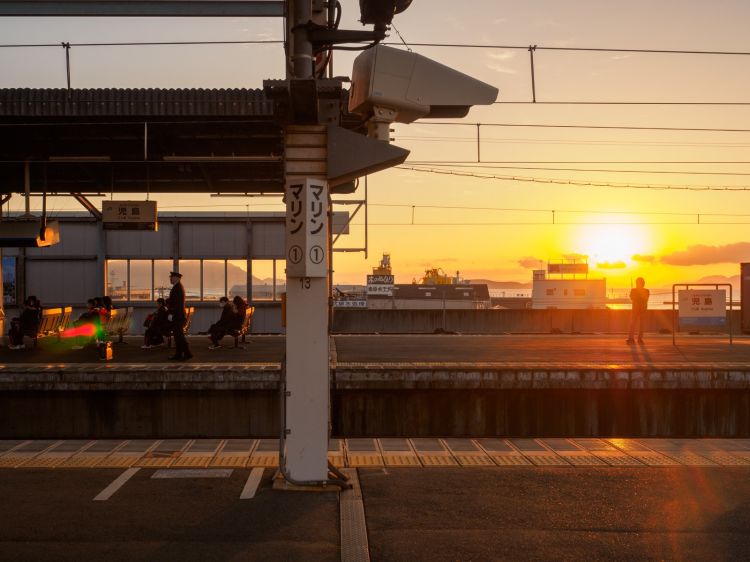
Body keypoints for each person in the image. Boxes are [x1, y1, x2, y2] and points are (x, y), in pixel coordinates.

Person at [166, 271, 192, 360]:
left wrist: (171, 313)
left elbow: (177, 304)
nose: (170, 278)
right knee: (178, 336)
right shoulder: (178, 287)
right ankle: (179, 354)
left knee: (179, 336)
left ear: (176, 278)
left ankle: (187, 353)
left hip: (177, 316)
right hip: (178, 315)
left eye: (171, 277)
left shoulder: (177, 288)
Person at [627, 277, 650, 345]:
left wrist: (637, 297)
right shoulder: (634, 290)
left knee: (639, 324)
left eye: (639, 282)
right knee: (633, 324)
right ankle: (632, 338)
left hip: (640, 309)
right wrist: (639, 297)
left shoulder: (645, 291)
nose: (638, 284)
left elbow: (645, 299)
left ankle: (638, 338)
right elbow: (632, 297)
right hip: (637, 309)